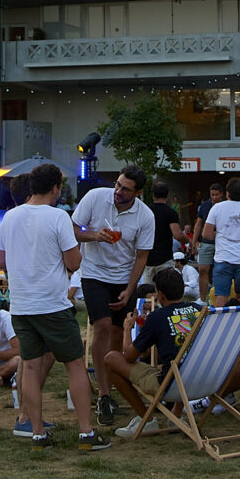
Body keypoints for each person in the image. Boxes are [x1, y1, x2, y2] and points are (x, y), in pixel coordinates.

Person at [0, 163, 107, 450]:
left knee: (30, 368)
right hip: (52, 304)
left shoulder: (9, 217)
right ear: (56, 188)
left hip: (21, 305)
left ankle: (36, 433)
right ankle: (85, 433)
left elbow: (2, 263)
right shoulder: (58, 217)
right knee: (75, 365)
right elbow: (73, 263)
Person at [72, 165, 157, 427]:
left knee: (119, 334)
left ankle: (110, 386)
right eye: (118, 185)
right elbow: (72, 229)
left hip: (123, 277)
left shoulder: (145, 215)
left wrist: (130, 289)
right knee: (102, 325)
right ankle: (104, 395)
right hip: (94, 273)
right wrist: (93, 236)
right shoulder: (96, 197)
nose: (118, 192)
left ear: (138, 192)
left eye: (126, 189)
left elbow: (142, 256)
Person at [107, 265, 207, 440]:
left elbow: (129, 356)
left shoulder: (157, 317)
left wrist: (126, 329)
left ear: (160, 294)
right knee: (182, 358)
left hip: (171, 384)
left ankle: (146, 419)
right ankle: (175, 414)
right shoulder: (198, 311)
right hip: (202, 379)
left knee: (111, 359)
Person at [200, 176, 240, 307]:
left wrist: (220, 234)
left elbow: (206, 234)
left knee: (221, 296)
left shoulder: (217, 208)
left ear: (227, 193)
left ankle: (219, 325)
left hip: (223, 258)